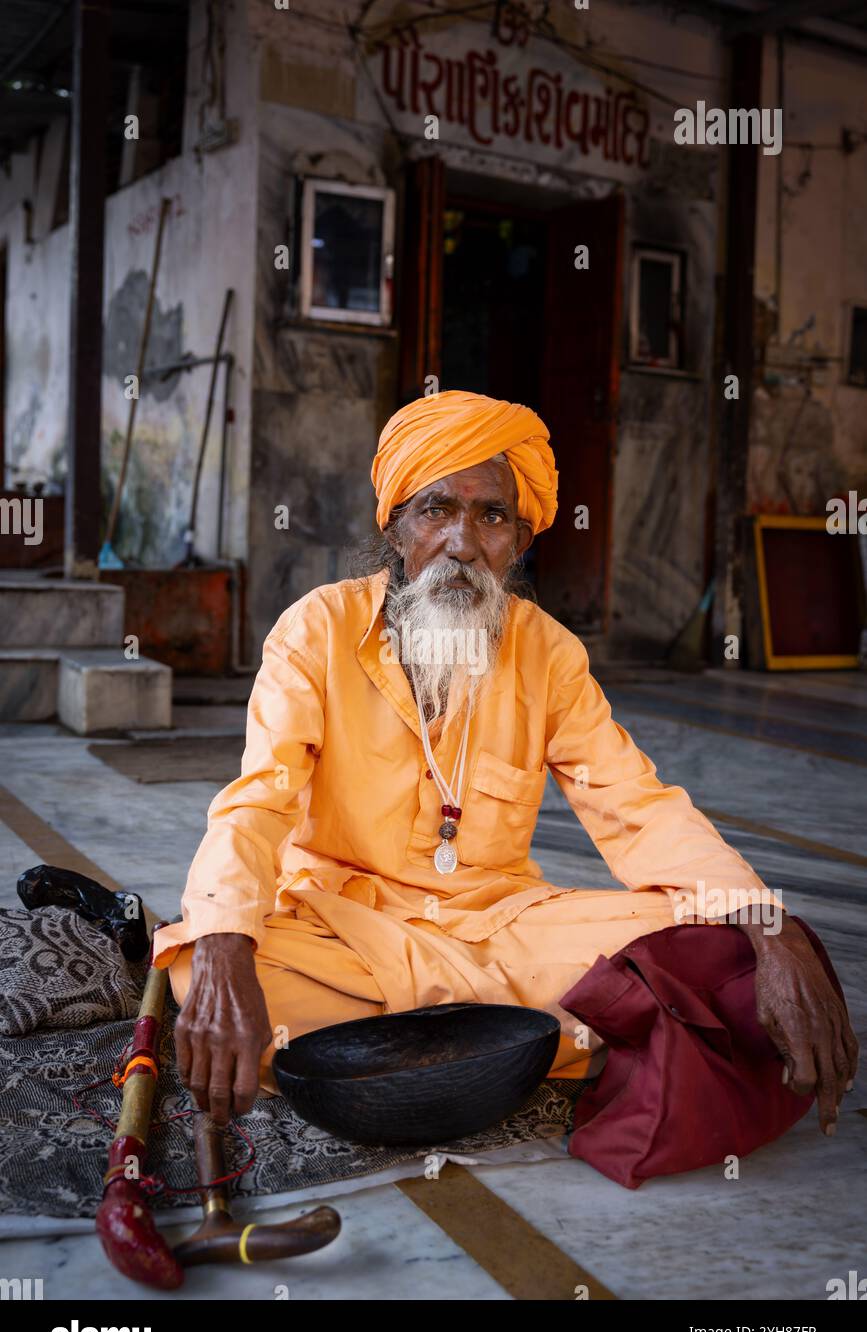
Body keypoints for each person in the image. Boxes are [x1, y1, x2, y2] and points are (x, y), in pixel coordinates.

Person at [156, 390, 858, 1131]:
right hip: (343, 925)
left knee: (720, 951)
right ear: (395, 527)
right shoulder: (317, 629)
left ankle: (417, 1045)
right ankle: (528, 1038)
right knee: (196, 965)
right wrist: (228, 944)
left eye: (491, 516)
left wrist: (767, 926)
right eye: (436, 510)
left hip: (499, 930)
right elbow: (256, 803)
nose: (463, 542)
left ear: (519, 540)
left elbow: (636, 805)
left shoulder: (547, 651)